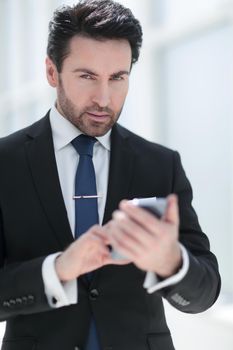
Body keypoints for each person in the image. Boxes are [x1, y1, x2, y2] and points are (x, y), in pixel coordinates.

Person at [0, 1, 220, 349]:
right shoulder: (5, 163)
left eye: (118, 78)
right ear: (52, 72)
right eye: (87, 76)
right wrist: (56, 271)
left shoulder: (161, 165)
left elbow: (205, 293)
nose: (104, 98)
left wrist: (170, 261)